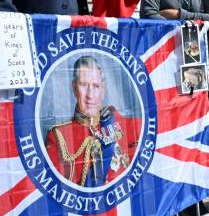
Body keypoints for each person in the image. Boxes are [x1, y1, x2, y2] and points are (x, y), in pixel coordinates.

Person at [45, 56, 141, 187]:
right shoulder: (58, 137)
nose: (90, 95)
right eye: (84, 85)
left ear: (103, 90)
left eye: (96, 86)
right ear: (74, 88)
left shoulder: (117, 121)